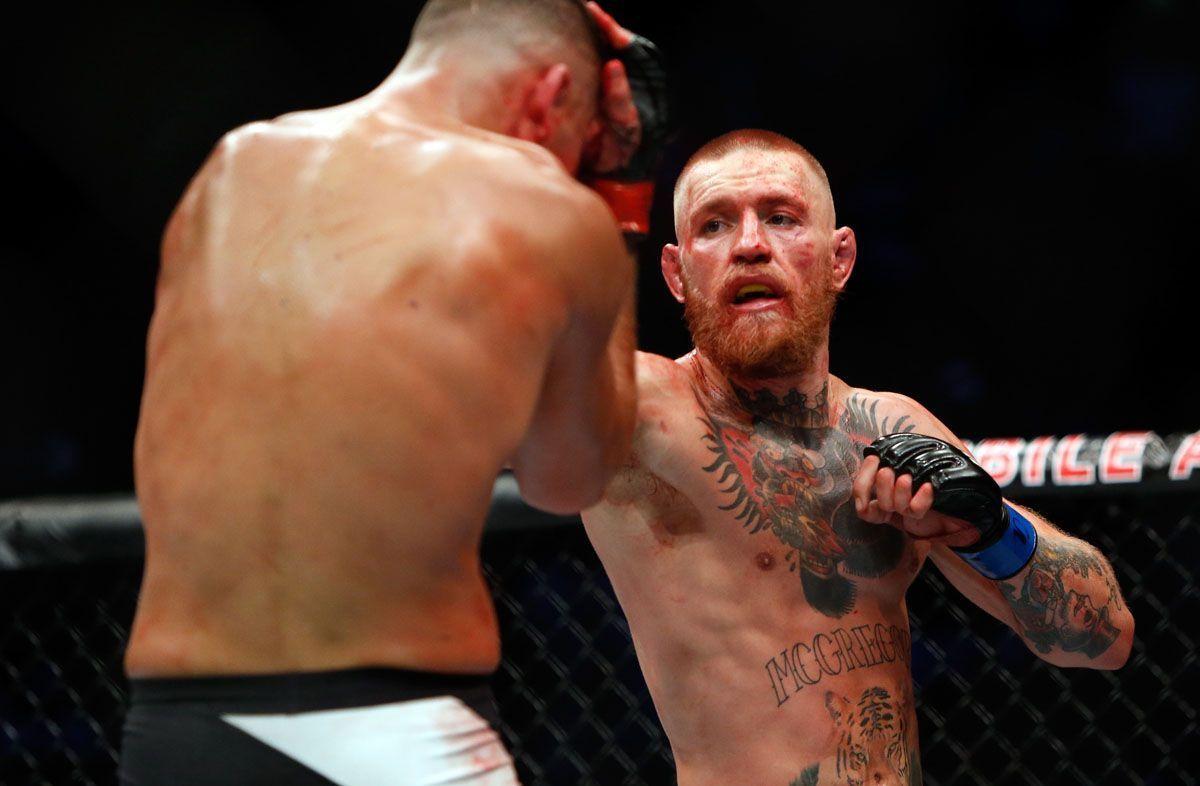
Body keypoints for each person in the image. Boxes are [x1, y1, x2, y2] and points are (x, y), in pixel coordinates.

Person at [120, 2, 666, 784]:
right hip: (396, 731)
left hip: (176, 726)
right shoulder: (545, 206)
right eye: (577, 148)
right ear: (546, 99)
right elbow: (568, 479)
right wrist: (618, 199)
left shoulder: (230, 170)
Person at [580, 129, 1134, 786]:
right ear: (677, 273)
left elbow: (1103, 637)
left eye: (781, 218)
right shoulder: (644, 411)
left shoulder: (889, 427)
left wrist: (991, 531)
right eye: (715, 225)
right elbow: (499, 347)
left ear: (839, 258)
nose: (751, 244)